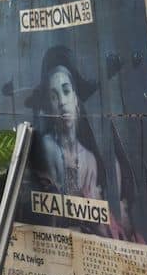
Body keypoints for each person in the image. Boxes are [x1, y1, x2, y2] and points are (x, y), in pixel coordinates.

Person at [31, 46, 106, 202]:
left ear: (76, 99)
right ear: (49, 106)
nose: (62, 102)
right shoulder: (46, 146)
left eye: (66, 91)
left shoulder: (90, 159)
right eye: (54, 96)